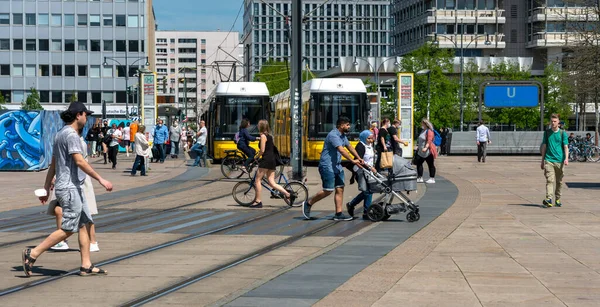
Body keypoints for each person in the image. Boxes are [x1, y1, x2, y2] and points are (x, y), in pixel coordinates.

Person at [22, 101, 113, 277]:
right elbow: (79, 161)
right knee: (69, 228)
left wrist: (46, 188)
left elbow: (54, 164)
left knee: (85, 224)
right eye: (86, 115)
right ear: (78, 115)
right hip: (70, 188)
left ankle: (86, 265)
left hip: (71, 187)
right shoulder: (71, 135)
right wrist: (101, 179)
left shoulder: (60, 134)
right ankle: (32, 253)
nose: (87, 118)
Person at [302, 116, 363, 221]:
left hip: (337, 166)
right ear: (341, 125)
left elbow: (350, 147)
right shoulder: (333, 135)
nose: (349, 127)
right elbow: (341, 150)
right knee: (328, 190)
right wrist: (352, 161)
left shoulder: (343, 136)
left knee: (340, 188)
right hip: (327, 166)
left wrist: (359, 158)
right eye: (347, 125)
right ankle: (308, 203)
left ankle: (338, 214)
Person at [250, 120, 295, 208]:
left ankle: (258, 201)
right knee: (272, 183)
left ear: (261, 127)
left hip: (266, 160)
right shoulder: (270, 136)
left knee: (257, 180)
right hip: (272, 160)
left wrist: (256, 157)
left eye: (259, 125)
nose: (257, 126)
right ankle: (288, 194)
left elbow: (262, 150)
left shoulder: (263, 136)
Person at [346, 130, 377, 220]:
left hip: (369, 170)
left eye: (372, 138)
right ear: (364, 138)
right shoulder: (360, 146)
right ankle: (366, 212)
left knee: (368, 191)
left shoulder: (370, 145)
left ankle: (352, 204)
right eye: (369, 138)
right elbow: (359, 161)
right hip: (360, 171)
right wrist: (369, 168)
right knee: (367, 191)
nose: (371, 140)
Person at [540, 113, 568, 208]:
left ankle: (558, 198)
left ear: (558, 122)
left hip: (560, 161)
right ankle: (549, 199)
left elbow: (565, 146)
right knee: (550, 180)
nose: (553, 123)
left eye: (555, 121)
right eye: (551, 121)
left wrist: (566, 158)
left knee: (559, 182)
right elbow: (544, 146)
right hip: (549, 160)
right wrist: (542, 160)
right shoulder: (547, 133)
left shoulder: (562, 133)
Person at [415, 118, 438, 184]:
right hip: (420, 151)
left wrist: (426, 147)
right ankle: (420, 177)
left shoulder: (429, 131)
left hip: (428, 151)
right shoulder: (423, 131)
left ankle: (432, 178)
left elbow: (429, 140)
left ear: (425, 124)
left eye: (422, 123)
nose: (421, 124)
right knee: (419, 163)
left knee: (430, 164)